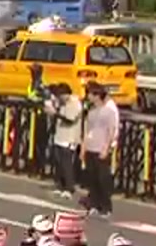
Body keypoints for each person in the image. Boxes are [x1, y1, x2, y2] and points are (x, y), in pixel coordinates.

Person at [79, 82, 119, 217]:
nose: (88, 96)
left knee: (103, 178)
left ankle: (106, 207)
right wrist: (83, 148)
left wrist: (106, 148)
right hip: (91, 147)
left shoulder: (108, 111)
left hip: (101, 148)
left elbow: (111, 130)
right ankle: (94, 204)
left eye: (89, 94)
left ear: (97, 95)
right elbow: (87, 130)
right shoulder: (91, 111)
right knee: (92, 179)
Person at [45, 82, 83, 198]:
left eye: (60, 96)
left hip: (69, 137)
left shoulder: (75, 103)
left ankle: (69, 187)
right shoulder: (62, 103)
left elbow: (70, 119)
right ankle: (60, 185)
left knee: (67, 163)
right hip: (59, 136)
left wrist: (55, 114)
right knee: (59, 162)